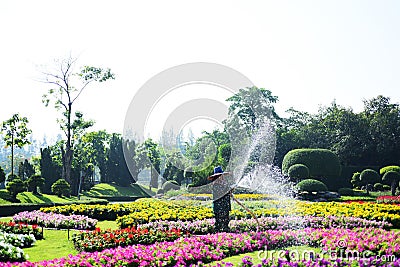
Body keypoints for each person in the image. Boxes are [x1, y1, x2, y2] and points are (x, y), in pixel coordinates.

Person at [208, 166, 232, 232]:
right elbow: (221, 193)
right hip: (218, 206)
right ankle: (217, 234)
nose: (222, 177)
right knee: (218, 221)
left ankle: (225, 232)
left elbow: (227, 193)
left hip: (225, 205)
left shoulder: (224, 184)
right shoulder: (215, 185)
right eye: (220, 176)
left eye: (222, 176)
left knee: (226, 220)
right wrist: (228, 189)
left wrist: (230, 191)